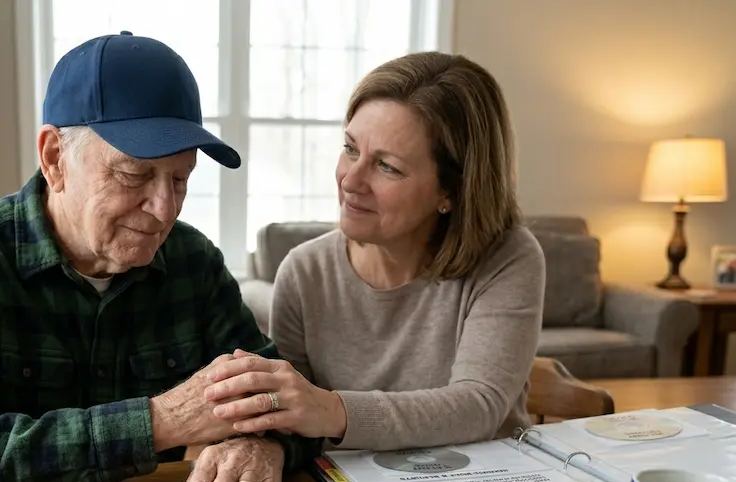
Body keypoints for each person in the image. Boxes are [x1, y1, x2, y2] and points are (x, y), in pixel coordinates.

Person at [0, 32, 316, 482]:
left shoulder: (192, 262)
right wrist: (161, 421)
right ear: (55, 159)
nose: (164, 210)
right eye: (135, 175)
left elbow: (284, 401)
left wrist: (264, 443)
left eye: (180, 180)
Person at [202, 51, 545, 452]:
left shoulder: (508, 258)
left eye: (387, 166)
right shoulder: (304, 271)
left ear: (451, 190)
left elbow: (478, 406)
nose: (350, 180)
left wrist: (330, 410)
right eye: (350, 148)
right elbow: (288, 426)